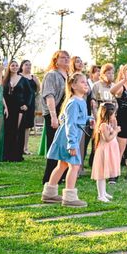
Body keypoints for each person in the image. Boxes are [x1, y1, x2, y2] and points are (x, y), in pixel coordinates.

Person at [41, 72, 93, 207]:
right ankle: (69, 197)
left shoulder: (80, 101)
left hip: (69, 137)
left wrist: (89, 119)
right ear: (73, 85)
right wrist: (72, 143)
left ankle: (49, 193)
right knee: (74, 166)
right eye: (82, 82)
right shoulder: (74, 102)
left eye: (86, 82)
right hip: (69, 138)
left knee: (62, 165)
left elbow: (78, 119)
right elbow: (70, 123)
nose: (85, 84)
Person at [41, 50, 69, 184]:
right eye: (62, 58)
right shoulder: (51, 75)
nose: (66, 59)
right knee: (54, 145)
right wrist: (53, 116)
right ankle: (48, 178)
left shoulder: (69, 75)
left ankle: (61, 175)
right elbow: (49, 95)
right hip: (54, 112)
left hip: (66, 113)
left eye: (67, 57)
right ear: (55, 60)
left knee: (64, 145)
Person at [2, 60, 33, 162]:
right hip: (8, 109)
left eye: (16, 65)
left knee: (18, 131)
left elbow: (30, 93)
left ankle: (17, 155)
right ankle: (7, 154)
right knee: (8, 131)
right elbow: (2, 94)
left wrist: (26, 105)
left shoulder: (23, 80)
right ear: (9, 67)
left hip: (20, 108)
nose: (14, 67)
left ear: (18, 67)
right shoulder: (5, 80)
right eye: (12, 65)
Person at [90, 102, 121, 202]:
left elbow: (112, 132)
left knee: (105, 172)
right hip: (104, 151)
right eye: (113, 114)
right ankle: (100, 195)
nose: (115, 116)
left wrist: (115, 125)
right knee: (101, 174)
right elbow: (108, 138)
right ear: (107, 114)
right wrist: (116, 131)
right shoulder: (103, 125)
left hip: (110, 151)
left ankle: (104, 192)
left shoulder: (108, 124)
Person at [19, 60, 40, 155]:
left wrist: (37, 82)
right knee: (19, 125)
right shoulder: (18, 76)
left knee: (27, 126)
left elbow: (37, 90)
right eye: (26, 64)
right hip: (20, 103)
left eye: (30, 65)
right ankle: (16, 146)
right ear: (22, 66)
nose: (28, 66)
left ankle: (25, 148)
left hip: (30, 104)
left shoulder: (33, 77)